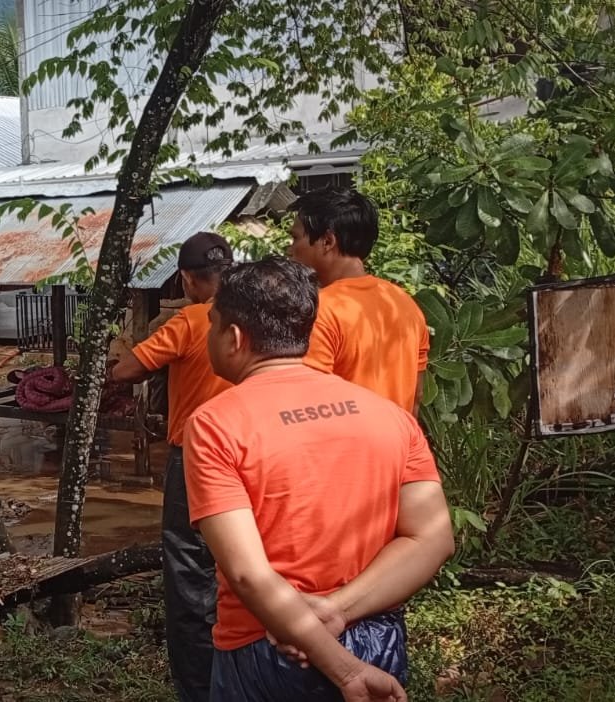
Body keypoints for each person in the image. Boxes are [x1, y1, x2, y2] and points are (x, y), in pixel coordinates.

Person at [185, 258, 454, 701]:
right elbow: (434, 538)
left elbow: (250, 575)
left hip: (268, 645)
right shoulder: (388, 415)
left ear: (234, 338)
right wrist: (335, 610)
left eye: (211, 324)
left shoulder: (216, 423)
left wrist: (344, 669)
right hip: (376, 634)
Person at [108, 230, 234, 702]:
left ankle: (198, 688)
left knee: (189, 569)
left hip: (198, 457)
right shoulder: (258, 317)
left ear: (187, 278)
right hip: (257, 454)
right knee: (243, 565)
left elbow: (128, 370)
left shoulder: (189, 321)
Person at [286, 188, 429, 412]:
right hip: (398, 442)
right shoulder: (405, 304)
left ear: (327, 241)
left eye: (295, 238)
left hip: (343, 446)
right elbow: (416, 396)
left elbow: (308, 405)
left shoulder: (320, 311)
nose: (290, 249)